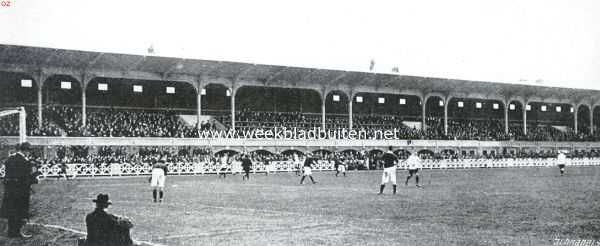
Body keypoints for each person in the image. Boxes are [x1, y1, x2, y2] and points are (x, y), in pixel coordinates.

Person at [0, 142, 35, 238]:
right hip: (20, 190)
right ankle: (17, 232)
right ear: (25, 151)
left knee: (12, 211)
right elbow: (25, 177)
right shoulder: (24, 161)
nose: (29, 153)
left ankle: (11, 232)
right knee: (19, 211)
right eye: (29, 151)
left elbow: (8, 172)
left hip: (10, 189)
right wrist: (34, 177)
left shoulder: (11, 158)